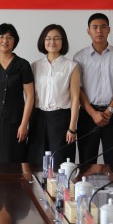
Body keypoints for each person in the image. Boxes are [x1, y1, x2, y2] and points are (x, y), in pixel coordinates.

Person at [73, 13, 113, 174]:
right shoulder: (79, 57)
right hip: (88, 116)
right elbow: (78, 89)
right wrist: (93, 113)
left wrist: (109, 111)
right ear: (88, 31)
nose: (99, 30)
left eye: (103, 27)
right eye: (95, 27)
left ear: (109, 30)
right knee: (86, 164)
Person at [27, 24, 80, 167]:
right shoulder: (34, 66)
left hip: (61, 119)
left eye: (57, 38)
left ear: (63, 41)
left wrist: (72, 127)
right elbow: (30, 96)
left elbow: (75, 98)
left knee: (60, 162)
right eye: (48, 38)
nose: (52, 42)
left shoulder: (71, 66)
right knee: (36, 162)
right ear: (43, 41)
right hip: (37, 117)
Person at [0, 23, 34, 163]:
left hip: (15, 124)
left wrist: (24, 124)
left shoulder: (23, 64)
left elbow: (30, 96)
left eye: (9, 37)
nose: (5, 40)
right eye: (1, 37)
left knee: (15, 163)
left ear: (14, 41)